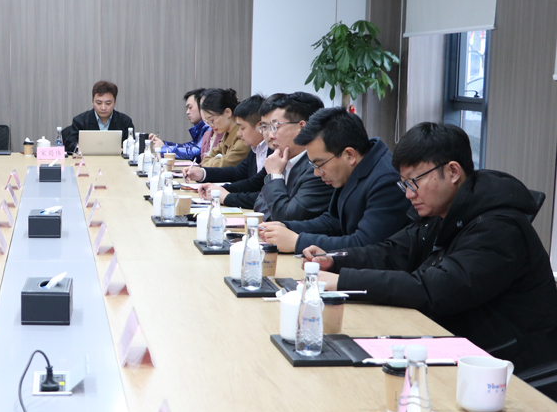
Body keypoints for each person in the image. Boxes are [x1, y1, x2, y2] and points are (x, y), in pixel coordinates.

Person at [303, 122, 557, 371]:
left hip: (504, 360)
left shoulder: (498, 227)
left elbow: (433, 291)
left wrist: (343, 281)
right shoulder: (443, 211)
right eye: (404, 184)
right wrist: (335, 260)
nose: (408, 194)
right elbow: (392, 252)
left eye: (414, 182)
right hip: (459, 338)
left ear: (453, 172)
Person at [260, 107, 411, 253]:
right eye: (313, 165)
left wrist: (297, 242)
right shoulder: (352, 168)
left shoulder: (387, 180)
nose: (316, 173)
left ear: (349, 155)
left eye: (320, 164)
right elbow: (333, 222)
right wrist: (286, 227)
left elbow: (365, 245)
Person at [196, 92, 333, 222]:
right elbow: (260, 202)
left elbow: (286, 216)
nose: (270, 135)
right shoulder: (284, 158)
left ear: (302, 127)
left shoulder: (316, 168)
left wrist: (274, 176)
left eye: (275, 127)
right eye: (266, 127)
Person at [184, 95, 270, 186]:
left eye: (242, 128)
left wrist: (224, 192)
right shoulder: (254, 149)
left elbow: (254, 185)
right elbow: (236, 172)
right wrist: (202, 173)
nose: (239, 133)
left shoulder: (268, 151)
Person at [62, 80, 135, 153]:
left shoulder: (125, 121)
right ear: (93, 102)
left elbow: (131, 145)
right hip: (88, 159)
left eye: (108, 103)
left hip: (116, 159)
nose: (103, 108)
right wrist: (79, 148)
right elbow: (70, 144)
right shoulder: (80, 120)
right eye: (99, 103)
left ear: (114, 103)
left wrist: (123, 149)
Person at [191, 88, 248, 168]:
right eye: (208, 122)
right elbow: (205, 160)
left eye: (212, 120)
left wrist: (215, 160)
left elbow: (224, 165)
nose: (210, 125)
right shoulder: (227, 134)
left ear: (227, 112)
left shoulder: (242, 137)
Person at [148, 89, 207, 161]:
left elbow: (194, 153)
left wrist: (164, 148)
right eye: (187, 108)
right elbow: (189, 146)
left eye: (190, 107)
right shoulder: (201, 127)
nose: (187, 112)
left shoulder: (209, 127)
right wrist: (163, 144)